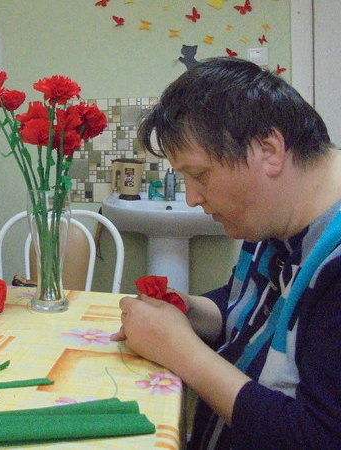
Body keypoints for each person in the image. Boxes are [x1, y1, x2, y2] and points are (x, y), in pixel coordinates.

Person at [113, 57, 341, 449]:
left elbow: (319, 437)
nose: (192, 198)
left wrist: (180, 351)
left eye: (199, 175)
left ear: (268, 150)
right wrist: (188, 309)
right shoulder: (275, 215)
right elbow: (249, 306)